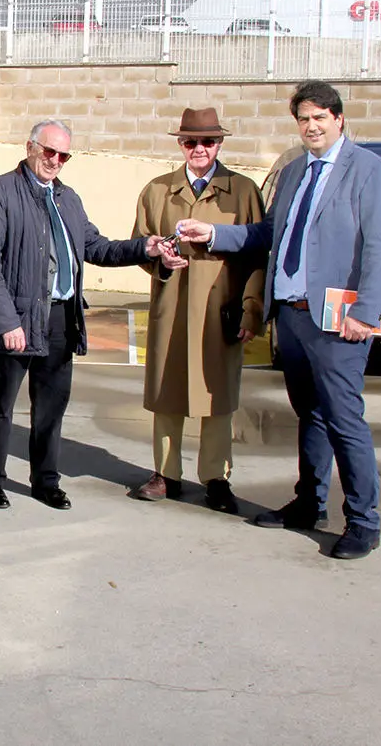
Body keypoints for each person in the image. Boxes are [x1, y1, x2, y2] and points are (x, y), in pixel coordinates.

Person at [176, 81, 381, 560]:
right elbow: (268, 234)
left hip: (339, 321)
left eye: (320, 118)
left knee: (343, 419)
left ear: (339, 119)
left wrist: (364, 313)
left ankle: (364, 521)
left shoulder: (368, 170)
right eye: (303, 119)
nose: (311, 126)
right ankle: (309, 503)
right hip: (293, 317)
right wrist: (213, 232)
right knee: (310, 415)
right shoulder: (297, 171)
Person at [0, 119, 163, 510]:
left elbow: (96, 247)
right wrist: (7, 322)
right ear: (30, 148)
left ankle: (46, 482)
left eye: (63, 155)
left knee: (51, 408)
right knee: (0, 407)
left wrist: (145, 248)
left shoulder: (67, 199)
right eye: (49, 151)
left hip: (59, 318)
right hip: (16, 318)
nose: (55, 160)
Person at [131, 107, 267, 514]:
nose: (199, 149)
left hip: (219, 308)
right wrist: (159, 259)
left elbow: (258, 255)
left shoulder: (243, 191)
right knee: (166, 391)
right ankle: (165, 473)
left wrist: (251, 310)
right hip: (172, 304)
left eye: (207, 141)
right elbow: (140, 244)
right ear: (180, 144)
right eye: (191, 141)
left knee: (217, 394)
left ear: (219, 144)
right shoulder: (157, 190)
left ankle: (216, 477)